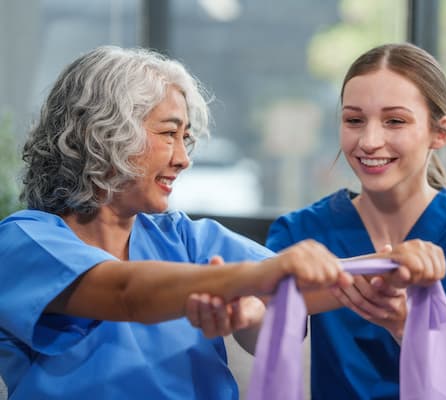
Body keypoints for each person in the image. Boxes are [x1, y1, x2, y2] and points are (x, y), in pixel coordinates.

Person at [0, 45, 355, 400]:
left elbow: (303, 285)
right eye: (169, 134)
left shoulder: (184, 237)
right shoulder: (24, 241)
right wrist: (249, 279)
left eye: (185, 139)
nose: (184, 159)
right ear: (104, 133)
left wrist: (394, 266)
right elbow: (126, 295)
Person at [263, 43, 446, 399]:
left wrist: (409, 325)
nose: (369, 141)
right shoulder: (300, 232)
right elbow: (257, 327)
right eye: (354, 120)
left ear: (439, 133)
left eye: (395, 121)